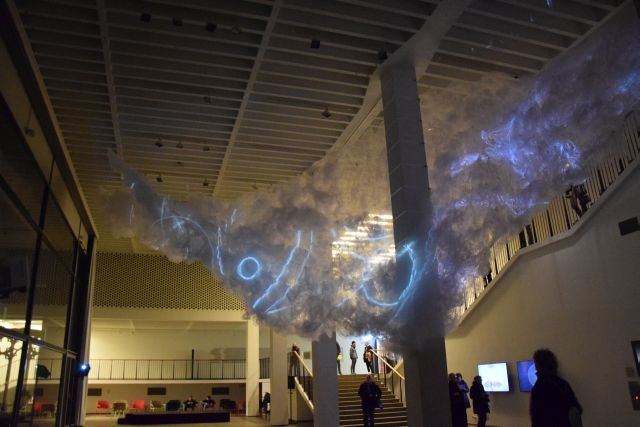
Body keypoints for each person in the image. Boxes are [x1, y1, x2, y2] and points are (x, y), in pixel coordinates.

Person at [530, 348, 582, 427]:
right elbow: (577, 408)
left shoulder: (538, 388)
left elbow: (536, 419)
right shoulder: (563, 384)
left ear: (538, 366)